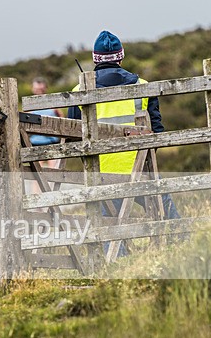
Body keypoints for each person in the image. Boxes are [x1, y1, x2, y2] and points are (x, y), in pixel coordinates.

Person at [67, 30, 180, 223]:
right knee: (168, 217)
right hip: (141, 167)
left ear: (95, 59)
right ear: (121, 57)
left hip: (100, 172)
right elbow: (158, 131)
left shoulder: (79, 91)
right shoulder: (143, 86)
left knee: (107, 227)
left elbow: (72, 138)